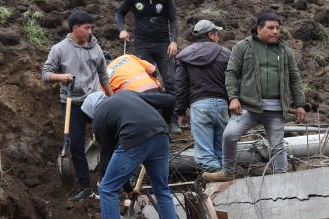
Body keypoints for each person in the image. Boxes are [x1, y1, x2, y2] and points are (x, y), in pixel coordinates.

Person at [81, 90, 186, 219]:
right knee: (161, 190)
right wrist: (129, 189)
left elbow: (107, 160)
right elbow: (169, 100)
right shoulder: (128, 95)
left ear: (92, 112)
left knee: (106, 189)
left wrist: (105, 180)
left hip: (134, 137)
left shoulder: (99, 117)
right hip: (161, 134)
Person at [203, 12, 307, 182]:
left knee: (277, 146)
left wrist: (300, 104)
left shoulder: (285, 51)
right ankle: (228, 172)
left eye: (277, 28)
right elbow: (231, 73)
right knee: (229, 135)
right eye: (270, 28)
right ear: (259, 28)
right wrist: (233, 98)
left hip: (276, 108)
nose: (275, 32)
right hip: (249, 107)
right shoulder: (243, 47)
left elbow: (295, 78)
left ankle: (281, 178)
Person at [43, 11, 114, 201]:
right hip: (71, 104)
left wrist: (112, 98)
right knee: (76, 146)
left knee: (109, 137)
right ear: (75, 28)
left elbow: (103, 74)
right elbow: (46, 74)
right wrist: (62, 77)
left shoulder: (96, 48)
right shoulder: (59, 49)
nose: (90, 31)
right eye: (86, 28)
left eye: (91, 27)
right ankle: (85, 187)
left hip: (94, 101)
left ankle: (108, 182)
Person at [115, 0, 182, 134]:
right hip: (142, 45)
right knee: (146, 83)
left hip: (163, 44)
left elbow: (173, 19)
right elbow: (120, 13)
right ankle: (149, 120)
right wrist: (122, 29)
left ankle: (172, 120)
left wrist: (174, 41)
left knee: (170, 81)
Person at [174, 19, 231, 172]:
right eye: (216, 33)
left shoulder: (184, 55)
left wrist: (180, 111)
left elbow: (180, 86)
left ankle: (216, 184)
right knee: (222, 152)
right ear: (211, 35)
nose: (218, 36)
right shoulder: (226, 54)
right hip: (222, 105)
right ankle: (224, 185)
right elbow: (235, 81)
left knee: (205, 154)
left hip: (199, 107)